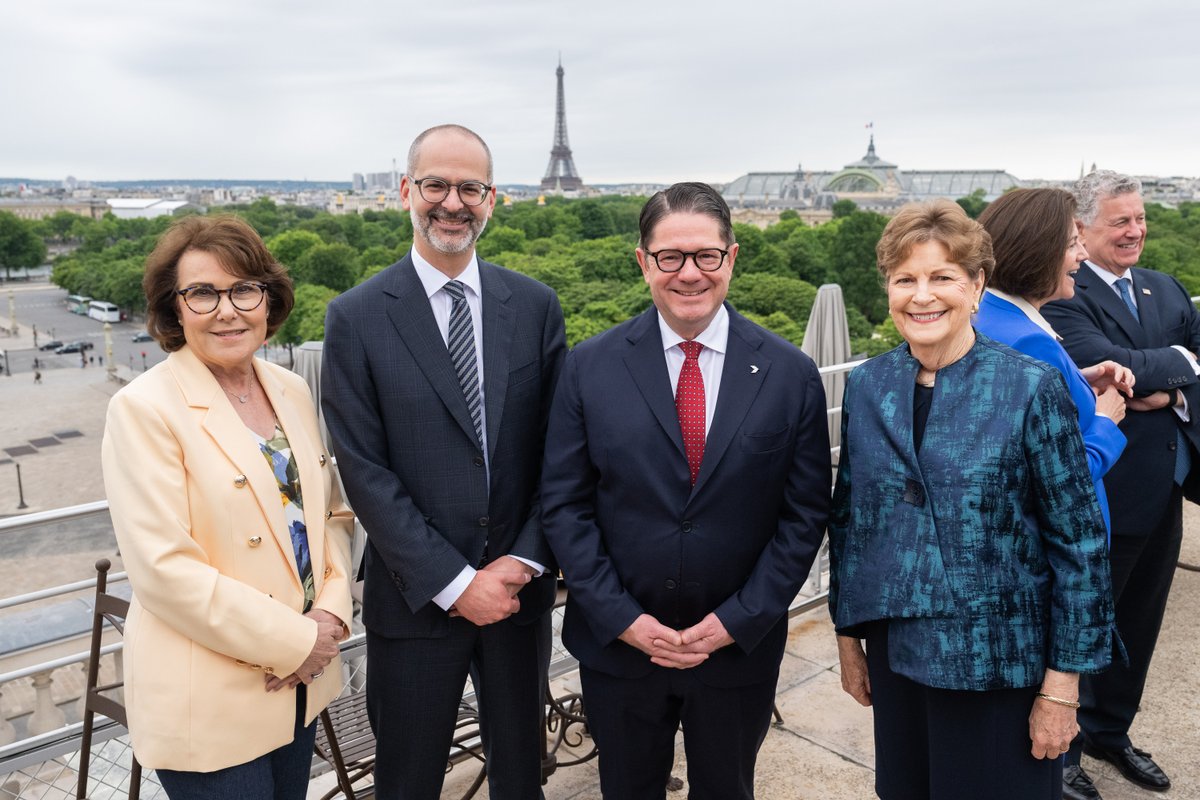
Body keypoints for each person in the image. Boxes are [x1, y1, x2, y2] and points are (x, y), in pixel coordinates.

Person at [541, 182, 830, 799]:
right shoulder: (588, 366)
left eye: (706, 255)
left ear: (732, 257)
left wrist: (737, 620)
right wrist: (621, 618)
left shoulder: (791, 373)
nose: (689, 273)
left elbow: (804, 515)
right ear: (643, 261)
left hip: (736, 650)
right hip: (620, 648)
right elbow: (565, 505)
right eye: (670, 256)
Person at [829, 199, 1117, 799]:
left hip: (999, 668)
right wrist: (848, 637)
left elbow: (1080, 545)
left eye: (942, 277)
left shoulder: (1029, 386)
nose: (921, 296)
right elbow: (853, 519)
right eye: (904, 279)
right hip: (897, 657)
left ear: (978, 285)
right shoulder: (868, 384)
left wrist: (1063, 688)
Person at [321, 123, 566, 799]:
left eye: (470, 188)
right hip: (415, 599)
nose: (452, 203)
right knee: (408, 783)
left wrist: (523, 560)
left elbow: (559, 452)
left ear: (492, 199)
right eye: (436, 185)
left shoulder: (536, 307)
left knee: (522, 778)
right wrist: (457, 584)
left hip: (517, 595)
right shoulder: (355, 317)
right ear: (406, 190)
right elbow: (364, 470)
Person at [101, 215, 354, 799]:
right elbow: (164, 570)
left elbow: (331, 517)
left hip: (299, 685)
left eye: (243, 289)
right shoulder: (144, 408)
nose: (226, 311)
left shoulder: (290, 388)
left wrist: (331, 615)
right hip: (211, 699)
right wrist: (294, 642)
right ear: (175, 309)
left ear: (268, 299)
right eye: (202, 293)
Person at [1043, 170, 1199, 797]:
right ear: (1080, 229)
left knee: (1140, 623)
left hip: (1165, 488)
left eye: (1140, 218)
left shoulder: (1165, 287)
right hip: (1100, 493)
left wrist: (1168, 392)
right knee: (1082, 628)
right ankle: (1064, 754)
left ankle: (1111, 732)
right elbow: (1106, 371)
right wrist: (1180, 367)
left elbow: (1155, 372)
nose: (1136, 231)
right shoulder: (1062, 292)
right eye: (1121, 221)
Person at [974, 187, 1133, 542]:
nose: (1083, 255)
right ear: (1038, 252)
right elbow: (1060, 476)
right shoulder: (1028, 341)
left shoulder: (990, 314)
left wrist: (1076, 379)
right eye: (1073, 244)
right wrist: (1106, 419)